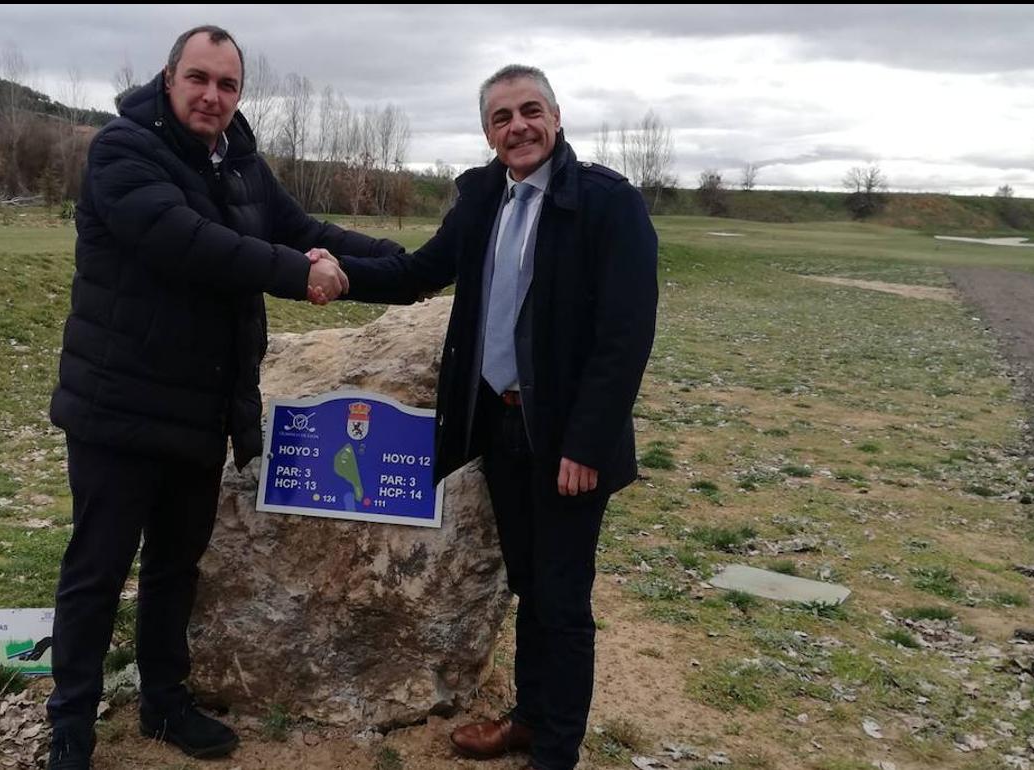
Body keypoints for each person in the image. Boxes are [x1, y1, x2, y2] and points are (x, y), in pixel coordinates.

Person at [44, 24, 402, 769]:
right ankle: (70, 724)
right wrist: (297, 273)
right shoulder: (122, 150)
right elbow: (188, 242)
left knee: (177, 569)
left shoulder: (239, 158)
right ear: (169, 78)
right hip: (119, 407)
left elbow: (299, 228)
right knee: (98, 571)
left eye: (228, 84)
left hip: (201, 408)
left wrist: (403, 267)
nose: (213, 96)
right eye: (199, 79)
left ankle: (165, 703)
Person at [331, 64, 658, 770]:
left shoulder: (607, 203)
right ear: (488, 132)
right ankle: (531, 720)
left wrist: (587, 443)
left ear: (557, 116)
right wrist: (337, 274)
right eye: (502, 117)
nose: (519, 126)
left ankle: (555, 751)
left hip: (567, 442)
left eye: (530, 110)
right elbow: (420, 271)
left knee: (563, 600)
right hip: (501, 428)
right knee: (528, 586)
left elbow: (625, 335)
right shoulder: (482, 198)